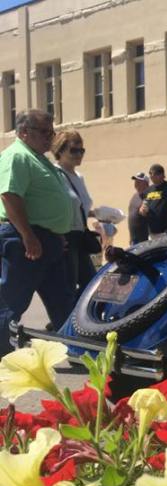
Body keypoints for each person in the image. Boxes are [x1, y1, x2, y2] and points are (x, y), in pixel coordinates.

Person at [0, 109, 76, 355]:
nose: (50, 138)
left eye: (52, 132)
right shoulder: (17, 156)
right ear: (23, 132)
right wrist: (28, 235)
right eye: (44, 132)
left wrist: (57, 233)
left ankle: (77, 352)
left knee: (63, 300)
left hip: (47, 240)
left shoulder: (37, 158)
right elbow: (10, 195)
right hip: (24, 239)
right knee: (12, 300)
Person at [52, 130, 97, 297]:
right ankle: (65, 319)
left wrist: (97, 213)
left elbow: (79, 206)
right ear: (60, 150)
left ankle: (70, 317)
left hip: (80, 234)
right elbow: (57, 207)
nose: (79, 154)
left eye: (81, 150)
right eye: (73, 150)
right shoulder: (54, 174)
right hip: (65, 235)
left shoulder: (79, 176)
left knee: (91, 283)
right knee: (69, 285)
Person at [139, 163, 167, 237]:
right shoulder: (148, 190)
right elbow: (142, 208)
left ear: (162, 175)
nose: (152, 176)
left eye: (155, 174)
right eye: (150, 174)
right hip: (153, 233)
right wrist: (142, 210)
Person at [127, 171, 150, 244]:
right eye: (135, 181)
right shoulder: (135, 196)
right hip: (134, 240)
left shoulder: (150, 196)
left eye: (139, 182)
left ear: (146, 183)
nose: (136, 184)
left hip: (144, 240)